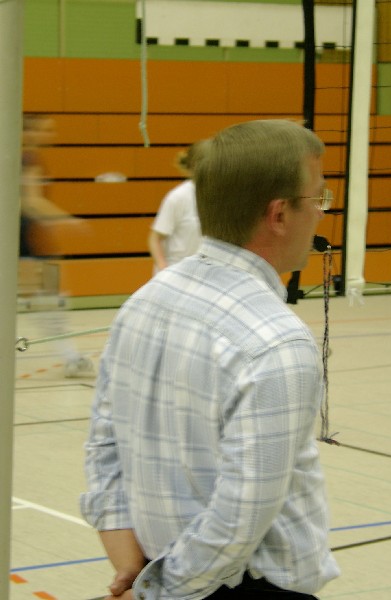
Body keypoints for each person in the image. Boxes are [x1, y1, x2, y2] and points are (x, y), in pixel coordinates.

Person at [80, 119, 340, 599]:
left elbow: (103, 445)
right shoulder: (275, 341)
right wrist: (156, 590)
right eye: (317, 199)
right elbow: (239, 519)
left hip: (160, 571)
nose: (322, 214)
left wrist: (134, 569)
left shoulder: (144, 300)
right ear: (279, 214)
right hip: (232, 586)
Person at [19, 113, 94, 378]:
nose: (50, 134)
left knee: (52, 301)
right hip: (25, 243)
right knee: (50, 301)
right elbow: (31, 202)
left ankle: (71, 357)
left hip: (36, 242)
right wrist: (69, 221)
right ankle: (71, 357)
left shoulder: (30, 158)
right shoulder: (25, 160)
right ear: (28, 132)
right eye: (45, 129)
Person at [148, 142, 204, 273]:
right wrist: (163, 268)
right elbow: (155, 239)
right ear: (194, 166)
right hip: (176, 270)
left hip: (201, 272)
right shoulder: (178, 197)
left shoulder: (218, 196)